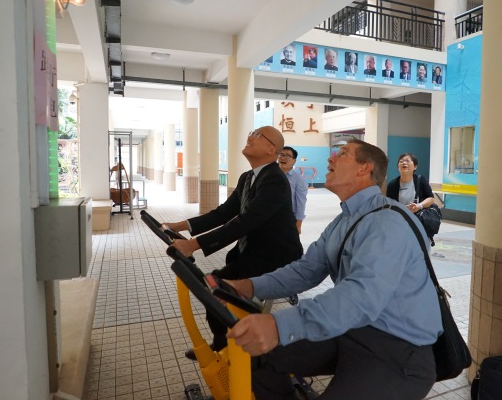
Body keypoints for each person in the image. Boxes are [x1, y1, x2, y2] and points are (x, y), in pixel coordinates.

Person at [226, 139, 442, 400]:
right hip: (355, 329)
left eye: (342, 154)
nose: (331, 159)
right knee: (258, 356)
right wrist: (249, 286)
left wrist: (278, 324)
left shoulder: (388, 222)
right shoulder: (345, 219)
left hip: (399, 351)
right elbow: (307, 269)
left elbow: (360, 297)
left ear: (364, 168)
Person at [164, 126, 303, 358]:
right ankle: (224, 345)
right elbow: (223, 213)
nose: (250, 136)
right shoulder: (248, 177)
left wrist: (193, 245)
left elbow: (245, 222)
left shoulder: (276, 180)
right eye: (252, 132)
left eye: (257, 135)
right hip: (252, 254)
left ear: (271, 149)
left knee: (220, 289)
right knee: (214, 286)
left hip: (275, 258)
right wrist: (181, 226)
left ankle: (239, 351)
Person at [278, 146, 308, 234]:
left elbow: (301, 203)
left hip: (288, 219)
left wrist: (298, 225)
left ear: (294, 160)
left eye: (287, 156)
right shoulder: (270, 175)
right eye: (281, 154)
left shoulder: (299, 180)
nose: (283, 158)